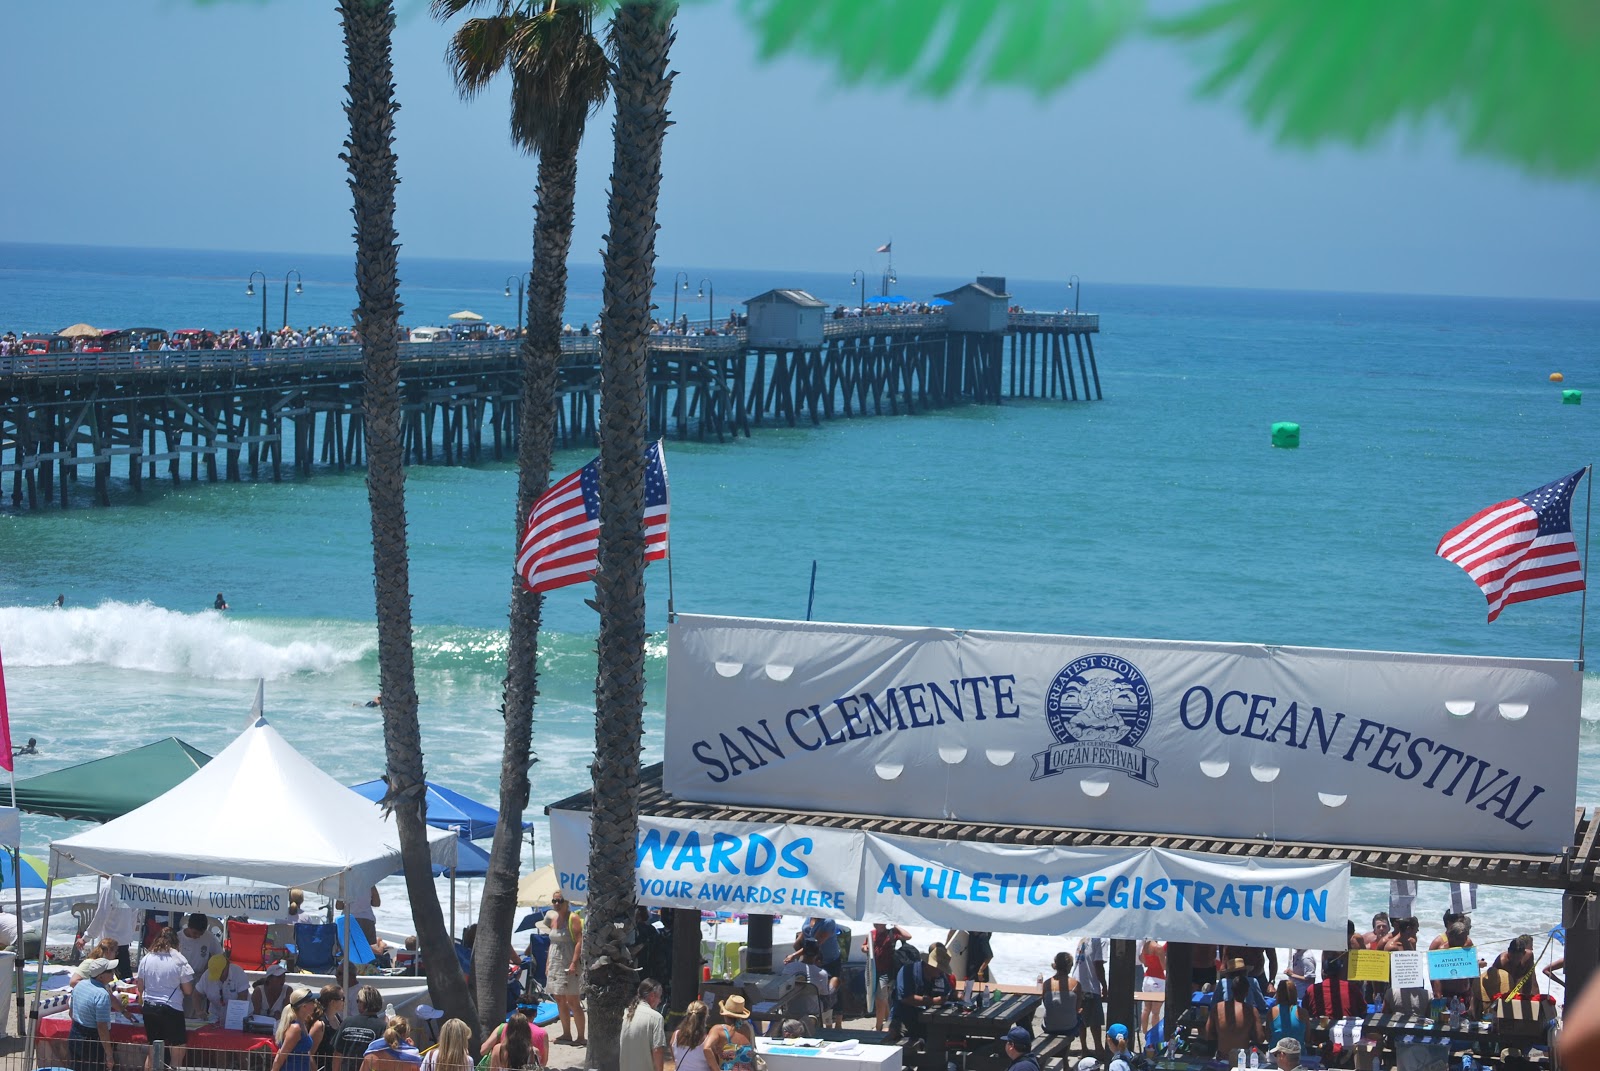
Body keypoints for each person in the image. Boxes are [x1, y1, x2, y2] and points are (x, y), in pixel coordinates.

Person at [136, 926, 195, 1071]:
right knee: (177, 1051)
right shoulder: (178, 959)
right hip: (171, 1009)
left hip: (149, 1007)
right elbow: (188, 990)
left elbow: (140, 987)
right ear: (176, 941)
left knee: (153, 1051)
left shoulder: (146, 958)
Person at [891, 942, 951, 1042]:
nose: (941, 972)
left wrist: (955, 995)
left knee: (944, 1036)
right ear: (929, 965)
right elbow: (906, 998)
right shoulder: (908, 971)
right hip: (903, 1018)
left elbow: (946, 992)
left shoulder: (940, 976)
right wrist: (933, 1001)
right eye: (939, 969)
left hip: (930, 1021)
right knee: (892, 1034)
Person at [546, 892, 585, 1044]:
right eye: (554, 900)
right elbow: (552, 944)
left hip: (568, 962)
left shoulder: (572, 918)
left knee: (573, 1001)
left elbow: (579, 942)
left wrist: (574, 962)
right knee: (559, 999)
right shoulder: (554, 919)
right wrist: (548, 963)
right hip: (555, 963)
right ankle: (566, 1033)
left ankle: (581, 1037)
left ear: (566, 901)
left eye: (559, 900)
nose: (556, 903)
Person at [68, 957, 118, 1071]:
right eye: (110, 971)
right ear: (100, 976)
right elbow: (102, 1027)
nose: (113, 973)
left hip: (75, 1033)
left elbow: (71, 1013)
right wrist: (109, 1054)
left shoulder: (80, 985)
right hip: (91, 1040)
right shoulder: (102, 995)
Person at [1202, 971, 1265, 1059]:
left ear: (1231, 990)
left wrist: (1222, 1035)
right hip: (1242, 1058)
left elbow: (1208, 1034)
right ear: (1247, 992)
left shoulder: (1218, 1007)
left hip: (1222, 1056)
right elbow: (1260, 1038)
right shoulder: (1251, 1011)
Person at [864, 922, 911, 1032]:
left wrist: (896, 925)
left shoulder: (892, 933)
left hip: (887, 971)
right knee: (881, 996)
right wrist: (865, 948)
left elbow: (908, 936)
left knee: (880, 998)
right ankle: (889, 1019)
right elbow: (864, 946)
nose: (877, 925)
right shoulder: (871, 934)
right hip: (873, 970)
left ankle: (878, 1026)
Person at [272, 987, 326, 1071]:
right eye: (312, 1002)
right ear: (304, 1006)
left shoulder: (302, 1024)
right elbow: (280, 1056)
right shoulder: (295, 1028)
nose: (315, 1004)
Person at [334, 985, 386, 1071]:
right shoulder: (383, 1026)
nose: (357, 1004)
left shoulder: (347, 1022)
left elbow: (337, 1054)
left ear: (364, 1003)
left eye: (358, 1001)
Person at [620, 978, 668, 1071]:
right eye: (659, 996)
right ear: (653, 996)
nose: (660, 1001)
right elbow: (657, 1051)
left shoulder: (627, 1013)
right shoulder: (656, 1017)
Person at [703, 995, 756, 1071]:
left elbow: (706, 1048)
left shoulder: (719, 1030)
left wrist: (716, 1069)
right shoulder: (747, 1029)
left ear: (725, 1014)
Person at [1040, 951, 1082, 1046]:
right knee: (1079, 1016)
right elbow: (1077, 1008)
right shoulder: (1076, 984)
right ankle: (1065, 1053)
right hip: (1069, 1027)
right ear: (1069, 966)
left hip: (1049, 1026)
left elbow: (1045, 1003)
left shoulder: (1047, 984)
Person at [1074, 936, 1107, 1055]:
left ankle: (1084, 1048)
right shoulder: (1101, 940)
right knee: (1095, 1021)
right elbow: (1098, 965)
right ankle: (1098, 1049)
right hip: (1090, 985)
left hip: (1077, 983)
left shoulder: (1083, 939)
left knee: (1082, 1020)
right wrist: (1104, 985)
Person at [483, 1009, 549, 1067]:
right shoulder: (533, 1052)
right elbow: (543, 1064)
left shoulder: (498, 1049)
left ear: (508, 1030)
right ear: (527, 1030)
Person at [198, 951, 250, 1016]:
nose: (219, 977)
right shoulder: (206, 975)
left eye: (221, 972)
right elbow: (196, 994)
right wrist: (199, 1011)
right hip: (215, 1016)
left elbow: (242, 998)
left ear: (227, 965)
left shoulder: (238, 973)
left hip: (238, 1015)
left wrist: (230, 1018)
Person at [672, 1001, 714, 1071]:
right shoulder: (707, 1041)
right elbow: (713, 1066)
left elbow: (676, 1060)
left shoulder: (675, 1035)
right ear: (705, 1017)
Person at [315, 985, 346, 1071]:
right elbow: (310, 1053)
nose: (344, 1002)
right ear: (332, 1002)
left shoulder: (339, 1019)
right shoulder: (320, 1025)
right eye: (342, 998)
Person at [1138, 940, 1166, 1035]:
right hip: (1158, 979)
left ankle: (1145, 1032)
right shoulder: (1158, 948)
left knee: (1146, 1008)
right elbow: (1164, 966)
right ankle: (1154, 1034)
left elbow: (1142, 959)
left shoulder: (1146, 945)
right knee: (1155, 1012)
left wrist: (1150, 962)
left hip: (1147, 978)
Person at [1267, 982, 1304, 1047]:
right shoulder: (1302, 1012)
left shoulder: (1272, 1012)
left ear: (1278, 994)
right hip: (1298, 1055)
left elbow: (1268, 1037)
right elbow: (1307, 1038)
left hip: (1276, 1054)